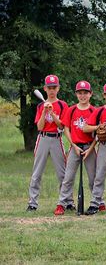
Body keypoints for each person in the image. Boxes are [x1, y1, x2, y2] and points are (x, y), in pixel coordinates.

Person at [54, 81, 97, 215]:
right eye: (80, 93)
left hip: (89, 146)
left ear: (91, 94)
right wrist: (73, 145)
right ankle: (62, 203)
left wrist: (90, 149)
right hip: (75, 147)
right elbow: (66, 128)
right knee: (68, 177)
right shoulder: (71, 110)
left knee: (93, 178)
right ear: (76, 94)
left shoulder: (94, 111)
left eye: (85, 93)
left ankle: (97, 202)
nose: (83, 96)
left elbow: (98, 134)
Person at [27, 75, 68, 212]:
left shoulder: (62, 105)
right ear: (45, 88)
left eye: (54, 87)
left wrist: (53, 113)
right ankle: (33, 203)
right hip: (43, 139)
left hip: (57, 138)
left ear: (58, 88)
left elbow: (61, 126)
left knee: (62, 173)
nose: (51, 90)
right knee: (37, 172)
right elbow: (39, 127)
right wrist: (45, 111)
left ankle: (66, 201)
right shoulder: (40, 105)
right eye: (49, 87)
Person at [83, 82, 106, 215]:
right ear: (104, 95)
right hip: (103, 146)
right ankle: (95, 204)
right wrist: (98, 127)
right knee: (99, 176)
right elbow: (85, 127)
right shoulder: (99, 111)